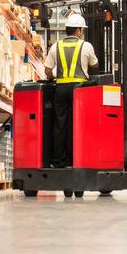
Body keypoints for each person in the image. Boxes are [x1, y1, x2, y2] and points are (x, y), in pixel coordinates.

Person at [43, 13, 99, 168]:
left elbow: (47, 71)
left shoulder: (56, 46)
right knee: (77, 124)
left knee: (60, 124)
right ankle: (75, 159)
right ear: (79, 31)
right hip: (80, 91)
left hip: (60, 89)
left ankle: (58, 161)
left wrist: (55, 75)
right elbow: (95, 64)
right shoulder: (86, 46)